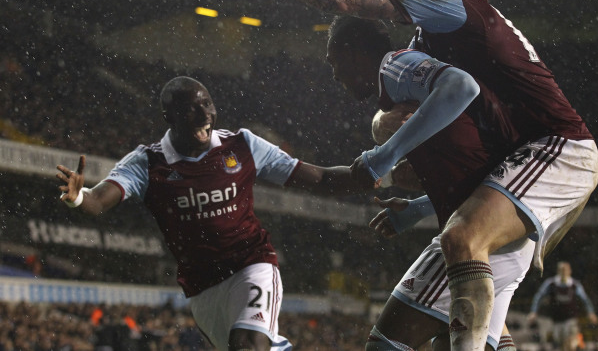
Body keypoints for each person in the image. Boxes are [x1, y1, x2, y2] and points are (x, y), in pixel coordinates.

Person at [225, 0, 598, 351]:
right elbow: (467, 145)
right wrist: (420, 206)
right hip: (512, 163)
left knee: (462, 239)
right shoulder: (423, 45)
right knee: (394, 339)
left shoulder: (451, 2)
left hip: (558, 145)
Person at [55, 76, 375, 351]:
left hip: (252, 264)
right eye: (190, 108)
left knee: (248, 344)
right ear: (169, 116)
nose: (204, 114)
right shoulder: (148, 163)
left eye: (207, 104)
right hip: (203, 288)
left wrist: (376, 169)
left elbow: (318, 178)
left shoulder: (242, 145)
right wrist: (76, 198)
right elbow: (98, 200)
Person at [326, 15, 533, 351]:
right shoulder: (424, 113)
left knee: (385, 345)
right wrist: (418, 208)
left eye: (334, 62)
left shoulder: (393, 65)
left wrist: (384, 156)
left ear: (353, 52)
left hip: (477, 232)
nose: (335, 75)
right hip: (499, 228)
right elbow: (472, 173)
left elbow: (462, 86)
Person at [527, 262, 598, 351]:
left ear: (570, 271)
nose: (564, 272)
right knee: (561, 344)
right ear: (558, 271)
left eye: (566, 270)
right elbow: (539, 296)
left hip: (571, 319)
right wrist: (533, 311)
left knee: (570, 343)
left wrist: (591, 312)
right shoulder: (551, 283)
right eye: (562, 270)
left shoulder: (574, 285)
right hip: (557, 320)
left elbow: (585, 299)